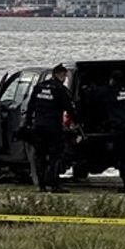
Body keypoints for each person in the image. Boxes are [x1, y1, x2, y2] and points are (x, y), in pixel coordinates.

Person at [88, 70, 125, 193]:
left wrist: (90, 86)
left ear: (112, 80)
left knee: (123, 157)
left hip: (122, 128)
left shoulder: (109, 91)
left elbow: (93, 95)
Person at [23, 64, 77, 193]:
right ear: (60, 75)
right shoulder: (60, 89)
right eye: (64, 76)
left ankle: (41, 185)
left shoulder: (39, 87)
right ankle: (54, 185)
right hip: (53, 127)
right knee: (55, 156)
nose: (64, 78)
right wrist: (77, 121)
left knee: (40, 155)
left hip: (39, 126)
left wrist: (28, 123)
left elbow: (31, 106)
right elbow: (68, 108)